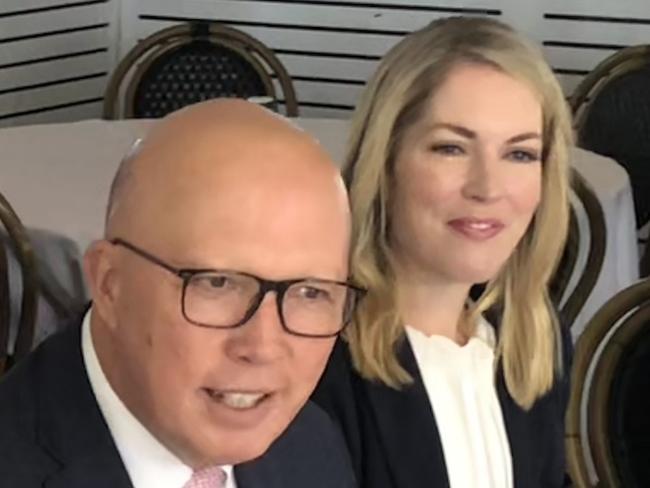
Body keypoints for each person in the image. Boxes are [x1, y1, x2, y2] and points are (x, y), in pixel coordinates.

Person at [0, 99, 363, 488]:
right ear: (110, 283)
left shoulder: (310, 444)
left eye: (310, 293)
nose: (263, 346)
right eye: (217, 283)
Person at [312, 16, 573, 488]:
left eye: (519, 154)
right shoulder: (314, 353)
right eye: (450, 148)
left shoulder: (534, 343)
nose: (488, 188)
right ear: (385, 161)